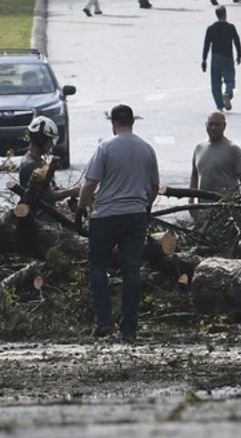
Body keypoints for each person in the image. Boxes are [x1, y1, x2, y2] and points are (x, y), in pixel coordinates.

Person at [79, 104, 159, 342]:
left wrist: (81, 208)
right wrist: (146, 206)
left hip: (106, 215)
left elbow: (91, 183)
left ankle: (104, 320)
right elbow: (154, 186)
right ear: (132, 121)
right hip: (135, 215)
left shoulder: (105, 147)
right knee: (132, 270)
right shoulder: (147, 149)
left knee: (97, 266)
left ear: (113, 123)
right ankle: (129, 328)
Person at [17, 116, 77, 209]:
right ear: (41, 140)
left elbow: (49, 189)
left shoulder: (36, 160)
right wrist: (71, 192)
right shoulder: (31, 164)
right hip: (40, 219)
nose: (52, 144)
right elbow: (48, 197)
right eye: (50, 140)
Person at [190, 112, 241, 197]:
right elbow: (194, 175)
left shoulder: (233, 150)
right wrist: (191, 199)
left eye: (217, 124)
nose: (213, 128)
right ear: (205, 125)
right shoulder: (199, 148)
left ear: (224, 126)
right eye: (210, 124)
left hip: (227, 204)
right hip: (204, 204)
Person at [201, 5, 241, 111]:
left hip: (215, 57)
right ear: (225, 14)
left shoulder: (211, 29)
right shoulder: (230, 27)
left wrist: (204, 60)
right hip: (227, 56)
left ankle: (219, 105)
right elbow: (237, 42)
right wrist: (239, 55)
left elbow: (206, 45)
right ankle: (228, 94)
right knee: (229, 79)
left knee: (215, 82)